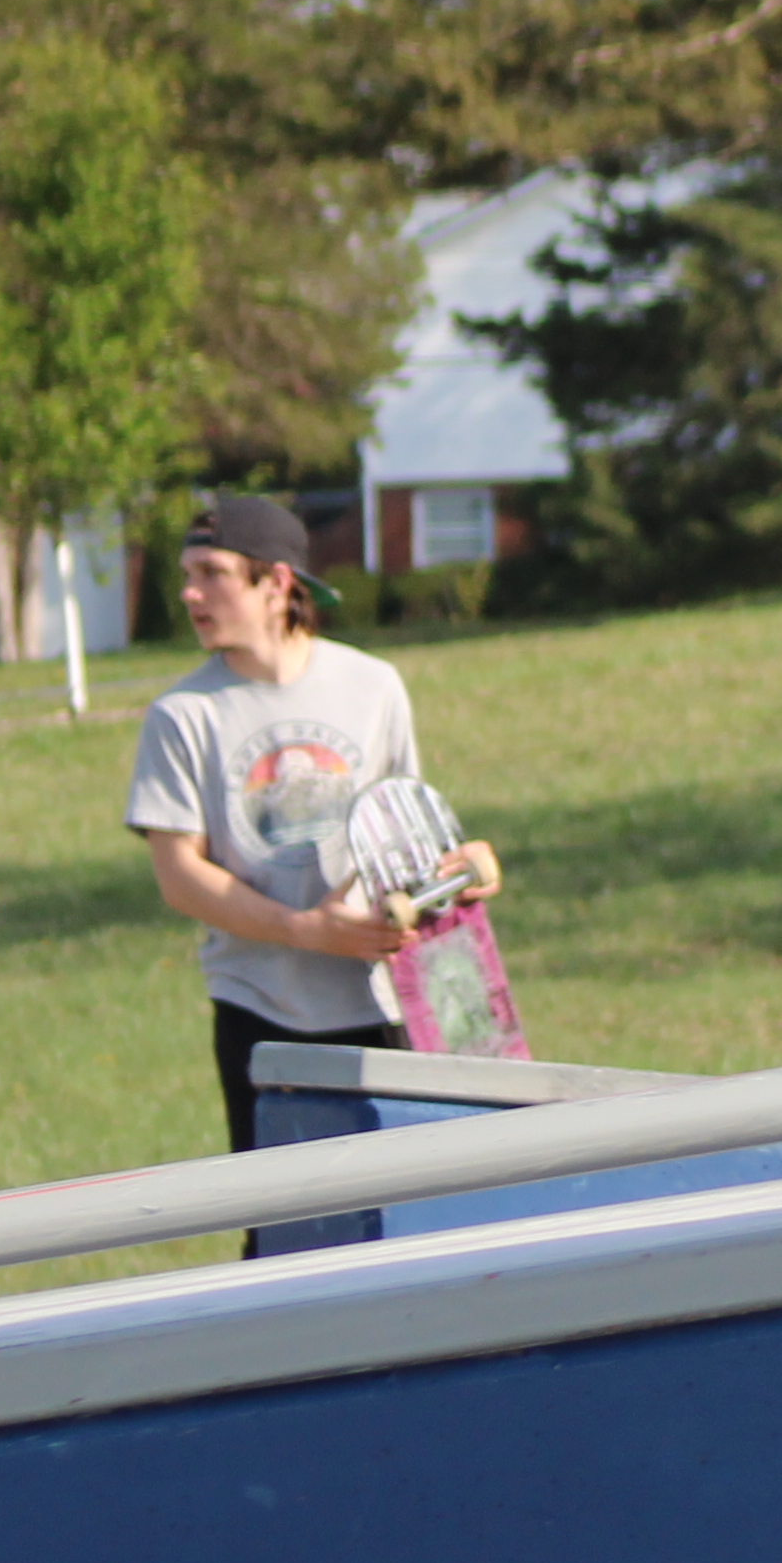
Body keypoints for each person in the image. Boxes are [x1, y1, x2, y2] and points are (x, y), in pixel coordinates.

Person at [123, 490, 502, 1155]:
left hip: (384, 1000)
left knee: (401, 1218)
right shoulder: (182, 715)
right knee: (282, 1231)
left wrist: (463, 869)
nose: (189, 594)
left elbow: (406, 831)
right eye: (187, 576)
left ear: (276, 582)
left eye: (211, 573)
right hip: (261, 1010)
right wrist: (304, 930)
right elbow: (179, 877)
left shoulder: (374, 685)